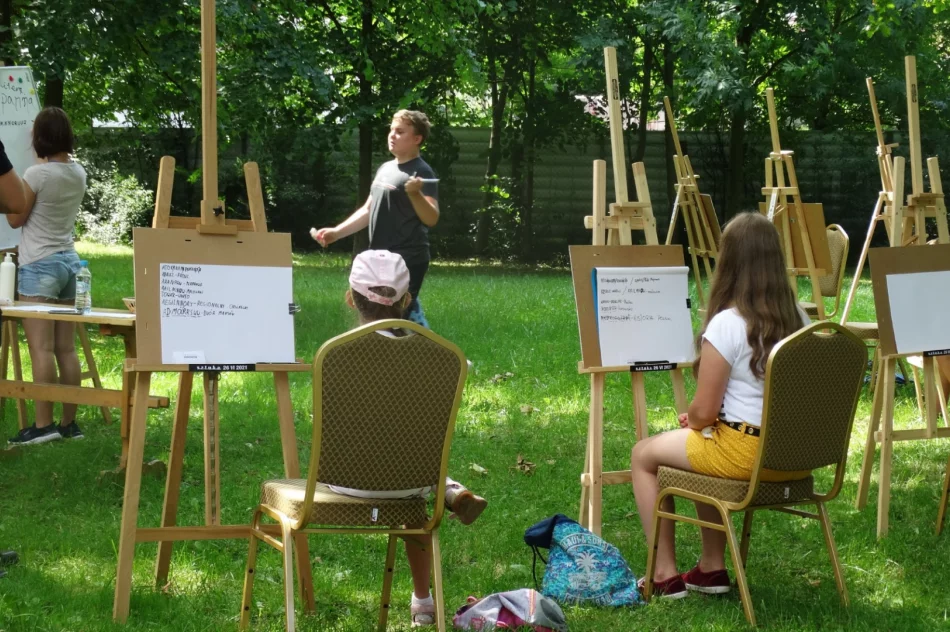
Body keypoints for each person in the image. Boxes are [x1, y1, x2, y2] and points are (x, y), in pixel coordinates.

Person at [629, 212, 811, 599]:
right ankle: (710, 568)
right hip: (794, 457)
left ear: (728, 263)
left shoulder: (729, 323)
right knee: (704, 439)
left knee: (644, 454)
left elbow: (704, 411)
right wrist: (702, 424)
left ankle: (663, 574)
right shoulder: (799, 318)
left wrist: (695, 421)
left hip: (745, 457)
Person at [331, 249, 486, 627]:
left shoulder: (334, 355)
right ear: (407, 300)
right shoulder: (447, 359)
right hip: (411, 487)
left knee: (393, 469)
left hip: (343, 485)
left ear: (351, 298)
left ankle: (446, 488)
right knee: (414, 496)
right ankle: (424, 600)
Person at [311, 110, 439, 327]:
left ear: (417, 139)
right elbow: (368, 210)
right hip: (380, 257)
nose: (392, 135)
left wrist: (415, 194)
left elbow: (431, 217)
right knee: (386, 312)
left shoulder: (422, 171)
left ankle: (427, 354)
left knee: (394, 315)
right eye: (391, 130)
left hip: (409, 256)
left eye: (400, 132)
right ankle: (422, 344)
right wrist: (336, 232)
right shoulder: (386, 169)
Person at [7, 107, 86, 446]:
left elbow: (14, 219)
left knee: (41, 348)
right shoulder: (78, 172)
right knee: (65, 349)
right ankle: (69, 424)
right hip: (70, 263)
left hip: (39, 264)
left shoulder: (36, 176)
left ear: (40, 138)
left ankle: (42, 426)